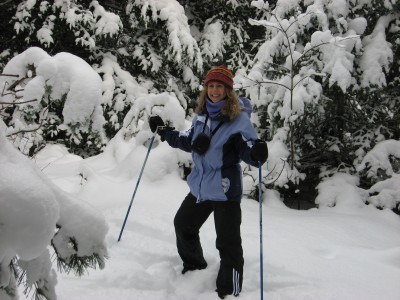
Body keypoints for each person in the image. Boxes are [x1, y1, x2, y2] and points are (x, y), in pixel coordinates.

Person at [149, 65, 268, 299]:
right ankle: (194, 268)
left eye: (219, 86)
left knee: (227, 243)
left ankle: (229, 290)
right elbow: (187, 140)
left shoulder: (238, 121)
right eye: (211, 86)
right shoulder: (202, 116)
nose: (214, 90)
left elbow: (248, 148)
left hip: (225, 190)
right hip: (201, 187)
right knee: (183, 225)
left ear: (228, 90)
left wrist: (256, 154)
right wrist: (164, 132)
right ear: (206, 89)